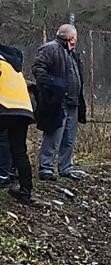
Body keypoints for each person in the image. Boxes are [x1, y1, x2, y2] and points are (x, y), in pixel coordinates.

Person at [32, 23, 87, 181]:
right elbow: (38, 68)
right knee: (53, 134)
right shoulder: (51, 49)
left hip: (73, 102)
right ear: (69, 37)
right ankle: (46, 167)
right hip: (57, 101)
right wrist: (52, 85)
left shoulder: (72, 53)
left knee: (69, 137)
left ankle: (66, 167)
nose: (75, 40)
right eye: (74, 37)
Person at [0, 44, 34, 205]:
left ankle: (4, 174)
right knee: (20, 151)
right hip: (24, 110)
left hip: (4, 107)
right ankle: (26, 192)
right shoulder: (13, 64)